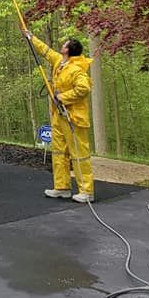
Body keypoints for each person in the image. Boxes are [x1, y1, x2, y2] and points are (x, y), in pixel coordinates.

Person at [23, 30, 95, 203]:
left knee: (79, 154)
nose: (61, 46)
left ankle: (86, 191)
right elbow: (45, 51)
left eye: (64, 44)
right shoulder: (59, 62)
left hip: (74, 118)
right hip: (59, 116)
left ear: (68, 50)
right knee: (59, 152)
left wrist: (62, 97)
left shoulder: (77, 70)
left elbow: (83, 89)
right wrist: (31, 38)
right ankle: (62, 187)